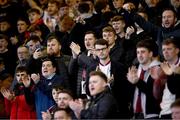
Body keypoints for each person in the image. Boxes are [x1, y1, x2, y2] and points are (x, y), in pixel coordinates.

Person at [127, 39, 166, 119]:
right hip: (136, 115)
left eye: (143, 52)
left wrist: (137, 82)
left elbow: (156, 94)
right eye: (138, 52)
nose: (140, 55)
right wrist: (130, 83)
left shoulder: (159, 69)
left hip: (153, 115)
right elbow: (132, 94)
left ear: (150, 54)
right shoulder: (136, 70)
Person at [160, 38, 180, 118]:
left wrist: (170, 75)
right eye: (163, 49)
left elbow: (174, 90)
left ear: (177, 50)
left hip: (176, 113)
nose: (165, 52)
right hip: (163, 112)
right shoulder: (161, 67)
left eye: (169, 49)